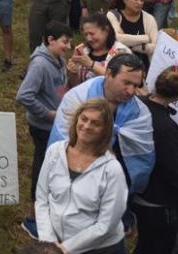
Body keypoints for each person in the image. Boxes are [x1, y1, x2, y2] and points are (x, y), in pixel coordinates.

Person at [35, 98, 128, 254]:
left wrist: (65, 248)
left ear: (105, 131)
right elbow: (42, 198)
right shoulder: (55, 151)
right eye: (84, 119)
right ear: (76, 119)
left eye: (95, 123)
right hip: (55, 244)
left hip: (99, 249)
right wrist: (49, 242)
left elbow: (106, 224)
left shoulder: (112, 170)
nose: (86, 126)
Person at [51, 54, 155, 194]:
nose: (131, 91)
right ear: (108, 74)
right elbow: (61, 139)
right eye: (126, 83)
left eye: (136, 85)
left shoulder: (140, 114)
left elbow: (142, 155)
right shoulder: (78, 98)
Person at [133, 66, 178, 254]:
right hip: (158, 203)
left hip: (138, 193)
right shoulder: (165, 128)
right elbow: (174, 170)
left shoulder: (138, 104)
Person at [16, 21, 71, 200]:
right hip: (43, 127)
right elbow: (24, 95)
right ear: (50, 40)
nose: (68, 46)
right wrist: (48, 114)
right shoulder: (40, 64)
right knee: (42, 164)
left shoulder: (59, 60)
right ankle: (37, 200)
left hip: (57, 124)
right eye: (65, 42)